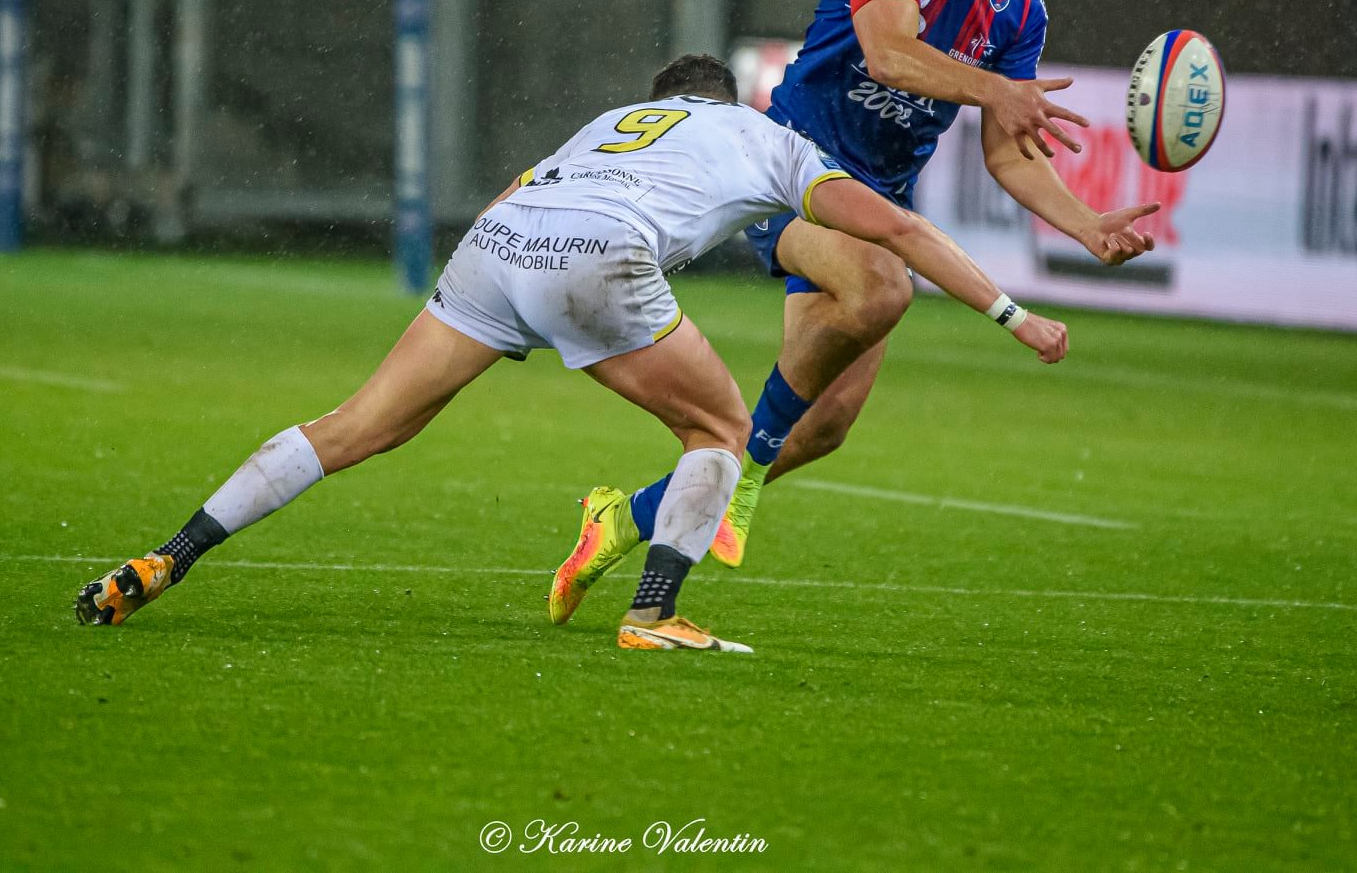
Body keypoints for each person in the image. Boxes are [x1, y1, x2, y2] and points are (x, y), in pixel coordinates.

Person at [76, 55, 1070, 652]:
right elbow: (894, 231)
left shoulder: (609, 125)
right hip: (593, 257)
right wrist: (1012, 314)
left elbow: (512, 199)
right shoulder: (770, 141)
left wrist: (487, 298)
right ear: (733, 99)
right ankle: (653, 612)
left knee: (357, 427)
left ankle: (173, 554)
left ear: (659, 98)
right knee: (722, 426)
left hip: (498, 248)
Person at [556, 0, 1160, 612]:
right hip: (792, 169)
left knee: (829, 424)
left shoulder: (1019, 4)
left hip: (881, 195)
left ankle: (625, 518)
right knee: (881, 287)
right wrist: (994, 88)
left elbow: (1008, 152)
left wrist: (1086, 225)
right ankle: (744, 482)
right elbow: (888, 52)